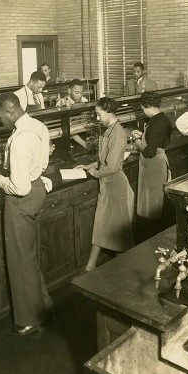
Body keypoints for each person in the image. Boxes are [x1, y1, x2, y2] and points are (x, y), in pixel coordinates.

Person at [0, 92, 53, 335]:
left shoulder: (20, 140)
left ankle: (28, 319)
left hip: (21, 200)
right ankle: (42, 305)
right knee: (30, 255)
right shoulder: (37, 126)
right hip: (37, 191)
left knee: (20, 259)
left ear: (9, 111)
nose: (0, 122)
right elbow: (41, 163)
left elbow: (19, 187)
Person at [76, 97, 134, 271]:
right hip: (108, 183)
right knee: (102, 226)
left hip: (115, 185)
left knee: (115, 231)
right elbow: (105, 160)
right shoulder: (108, 130)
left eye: (99, 114)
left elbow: (112, 167)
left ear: (109, 113)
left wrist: (94, 173)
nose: (97, 118)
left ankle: (123, 270)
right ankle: (92, 266)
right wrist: (91, 165)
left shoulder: (118, 134)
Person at [131, 91, 173, 222]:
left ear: (148, 106)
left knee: (151, 202)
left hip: (153, 166)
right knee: (159, 198)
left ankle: (151, 228)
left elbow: (149, 152)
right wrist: (143, 135)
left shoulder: (153, 124)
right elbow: (159, 139)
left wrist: (137, 142)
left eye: (143, 109)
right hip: (161, 161)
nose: (144, 112)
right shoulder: (164, 119)